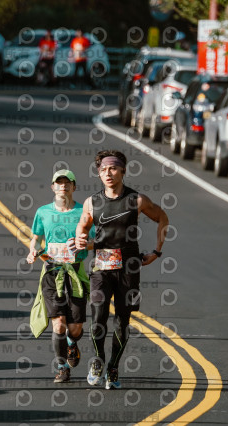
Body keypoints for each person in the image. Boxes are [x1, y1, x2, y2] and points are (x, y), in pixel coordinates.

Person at [74, 150, 169, 390]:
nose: (108, 173)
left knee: (122, 320)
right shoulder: (92, 202)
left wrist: (157, 251)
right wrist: (80, 239)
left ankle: (113, 367)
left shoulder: (136, 200)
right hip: (101, 267)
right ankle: (98, 361)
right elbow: (82, 228)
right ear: (99, 173)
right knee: (98, 316)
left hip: (128, 267)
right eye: (103, 170)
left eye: (113, 168)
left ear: (123, 171)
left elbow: (162, 218)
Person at [26, 169, 93, 383]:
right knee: (59, 324)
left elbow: (95, 240)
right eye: (59, 182)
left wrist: (84, 245)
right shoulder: (43, 212)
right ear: (52, 187)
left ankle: (72, 344)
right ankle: (62, 367)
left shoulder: (84, 212)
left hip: (75, 272)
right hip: (52, 272)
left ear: (74, 187)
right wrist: (32, 251)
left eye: (67, 182)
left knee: (75, 328)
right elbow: (36, 238)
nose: (63, 186)